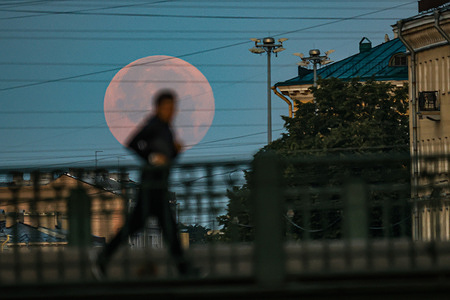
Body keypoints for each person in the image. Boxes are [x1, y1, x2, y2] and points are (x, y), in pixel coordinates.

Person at [92, 89, 192, 279]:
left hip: (158, 185)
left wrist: (175, 151)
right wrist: (151, 157)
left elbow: (167, 159)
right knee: (159, 229)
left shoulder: (166, 129)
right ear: (159, 107)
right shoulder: (154, 125)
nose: (172, 111)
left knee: (152, 228)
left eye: (173, 107)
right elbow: (132, 143)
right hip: (151, 185)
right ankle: (184, 270)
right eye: (168, 107)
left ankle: (102, 260)